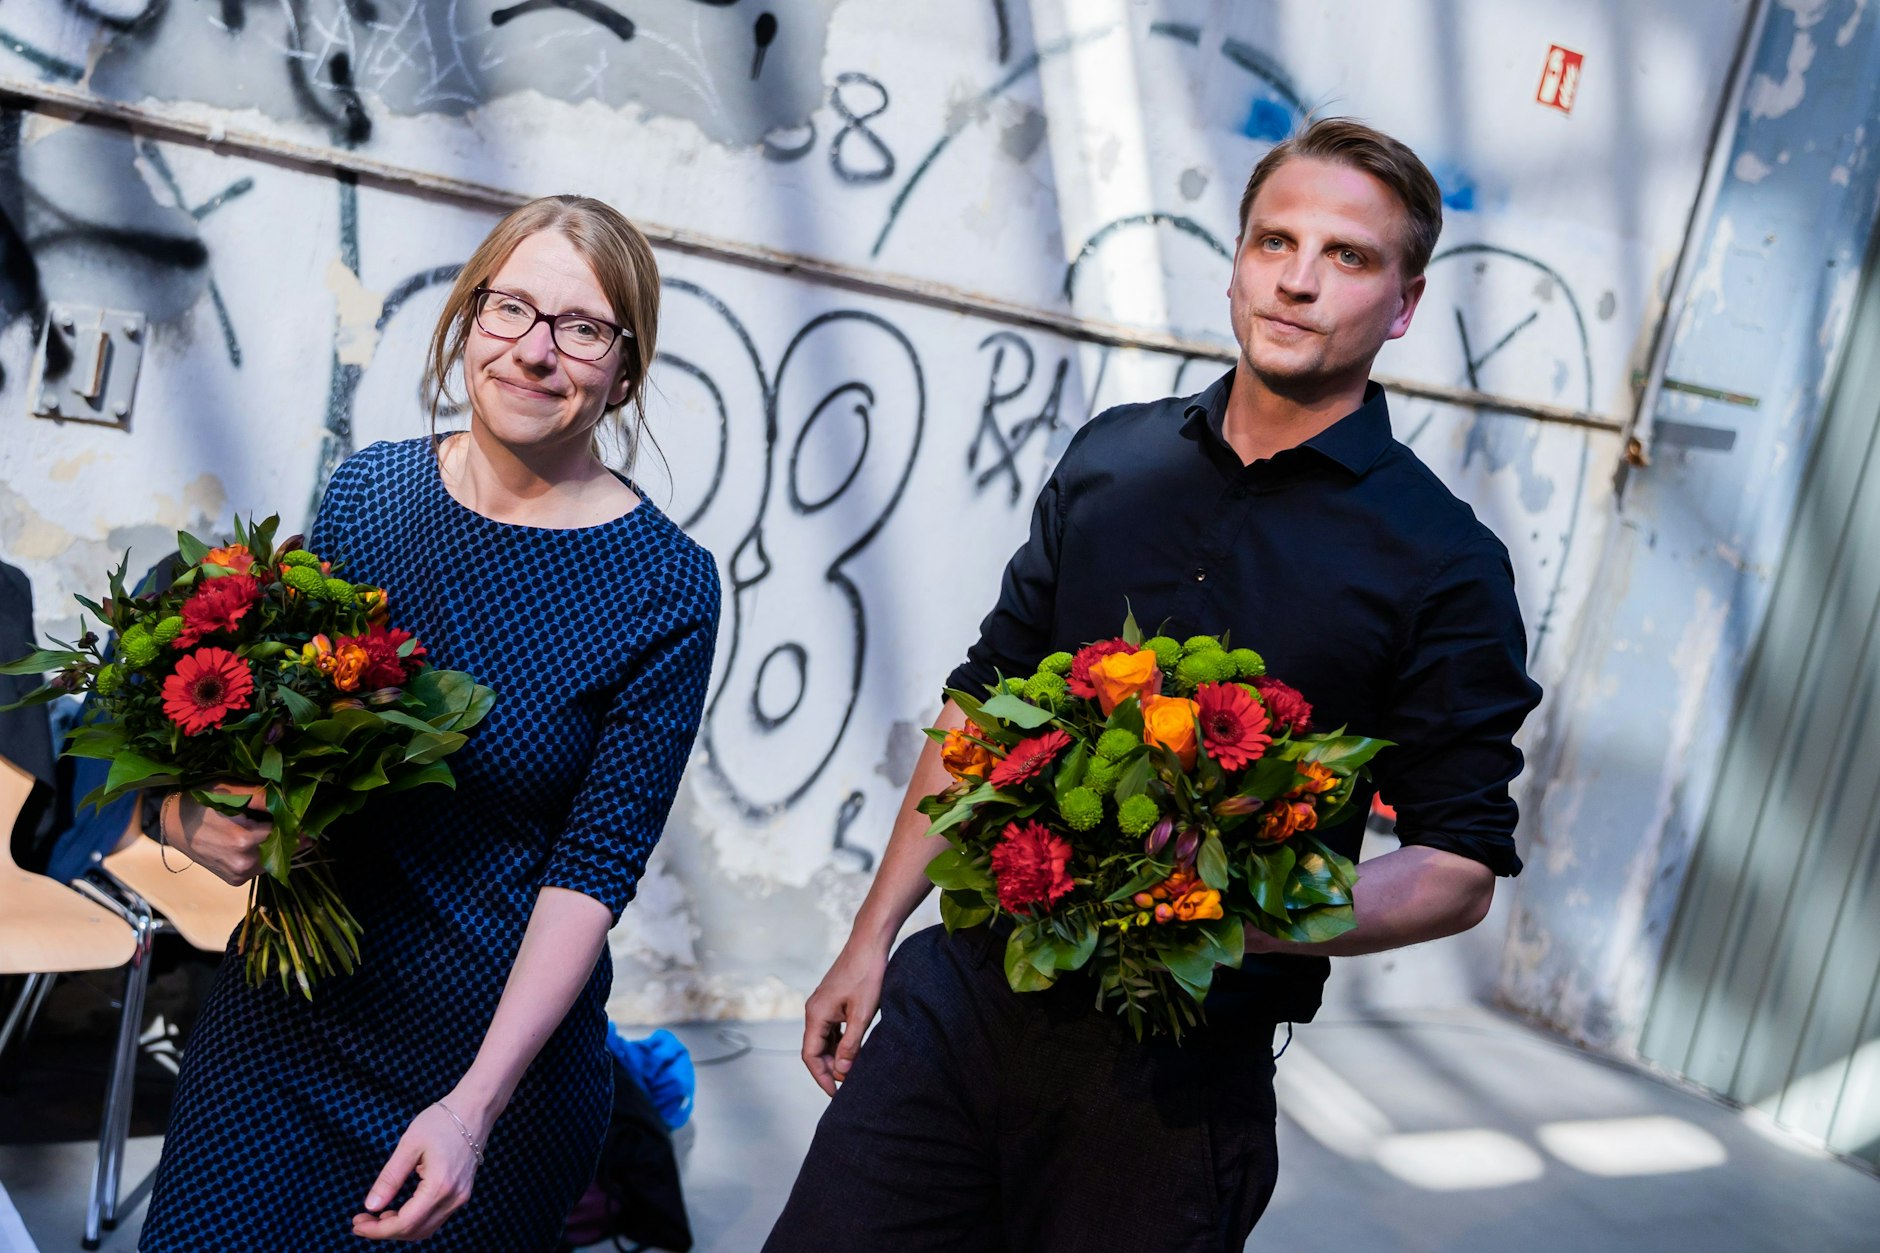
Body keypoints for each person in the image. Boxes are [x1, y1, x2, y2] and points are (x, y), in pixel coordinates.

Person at [768, 118, 1545, 1251]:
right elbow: (980, 702)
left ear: (1404, 302)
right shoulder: (1112, 457)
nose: (1296, 279)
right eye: (1273, 240)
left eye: (1347, 255)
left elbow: (1456, 865)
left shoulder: (1441, 559)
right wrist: (872, 931)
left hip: (1175, 1073)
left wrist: (1233, 911)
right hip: (964, 996)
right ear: (1233, 260)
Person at [137, 195, 720, 1251]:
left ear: (624, 370)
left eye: (581, 328)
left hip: (483, 1075)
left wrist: (472, 1107)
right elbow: (273, 721)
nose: (535, 352)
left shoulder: (664, 585)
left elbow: (591, 867)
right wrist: (189, 810)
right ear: (467, 319)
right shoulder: (371, 493)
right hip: (282, 1021)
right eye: (510, 309)